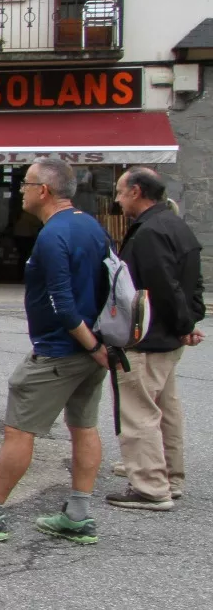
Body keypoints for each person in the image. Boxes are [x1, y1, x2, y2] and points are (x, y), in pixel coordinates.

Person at [0, 158, 111, 545]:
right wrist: (99, 346)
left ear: (44, 191)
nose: (21, 191)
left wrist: (92, 345)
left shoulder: (53, 235)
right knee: (84, 426)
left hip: (60, 350)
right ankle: (78, 514)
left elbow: (62, 305)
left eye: (26, 184)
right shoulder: (91, 226)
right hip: (89, 349)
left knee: (19, 431)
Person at [108, 167, 204, 510]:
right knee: (166, 410)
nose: (118, 200)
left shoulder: (149, 232)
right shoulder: (176, 225)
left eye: (120, 192)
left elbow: (162, 286)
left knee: (139, 412)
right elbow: (192, 282)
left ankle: (150, 486)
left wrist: (184, 323)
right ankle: (170, 478)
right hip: (168, 338)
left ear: (136, 191)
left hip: (146, 337)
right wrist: (188, 322)